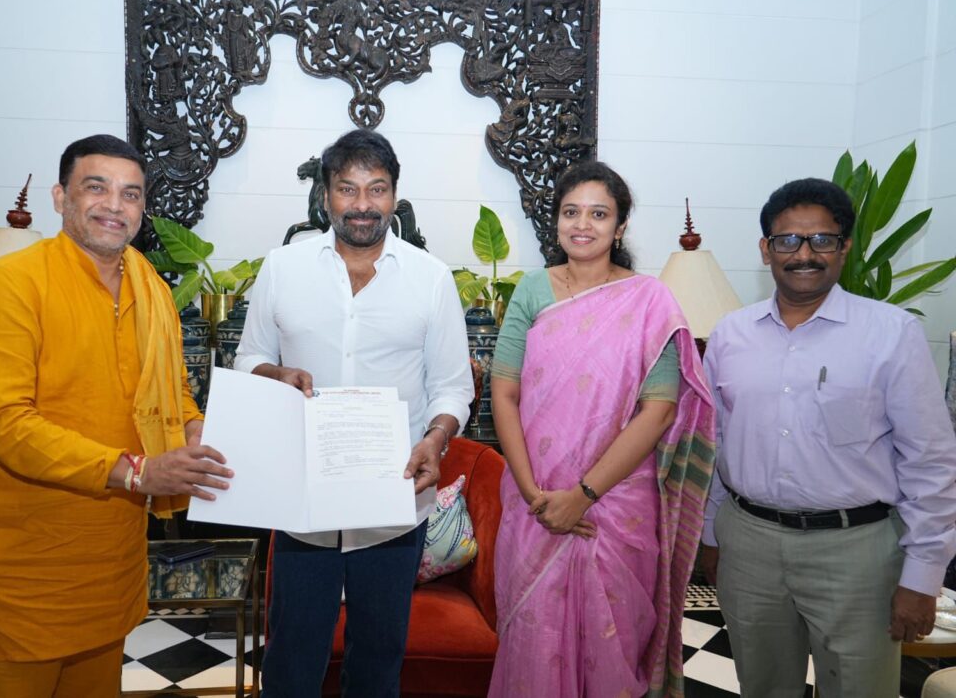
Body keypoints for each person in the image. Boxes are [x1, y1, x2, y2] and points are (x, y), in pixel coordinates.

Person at [0, 134, 233, 698]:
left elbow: (171, 387)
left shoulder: (151, 286)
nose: (114, 205)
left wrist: (193, 426)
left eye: (131, 193)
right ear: (61, 197)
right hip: (25, 568)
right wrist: (138, 472)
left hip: (111, 562)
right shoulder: (6, 285)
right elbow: (6, 425)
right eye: (96, 187)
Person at [234, 128, 473, 697]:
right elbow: (249, 357)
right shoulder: (282, 267)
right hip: (304, 499)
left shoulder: (431, 278)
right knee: (292, 660)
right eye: (347, 188)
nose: (362, 204)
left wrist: (436, 439)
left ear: (395, 196)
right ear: (325, 195)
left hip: (394, 501)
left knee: (377, 661)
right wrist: (275, 375)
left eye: (377, 189)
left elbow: (451, 387)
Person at [700, 178, 956, 698]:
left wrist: (923, 575)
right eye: (788, 240)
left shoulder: (891, 333)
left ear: (845, 248)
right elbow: (715, 443)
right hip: (749, 543)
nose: (804, 254)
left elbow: (930, 460)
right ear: (766, 249)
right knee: (762, 687)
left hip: (856, 550)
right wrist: (710, 534)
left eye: (821, 239)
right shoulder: (730, 334)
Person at [487, 160, 716, 698]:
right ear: (557, 221)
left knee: (614, 643)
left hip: (617, 505)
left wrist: (583, 496)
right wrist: (534, 494)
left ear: (620, 226)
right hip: (534, 500)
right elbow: (504, 392)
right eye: (571, 212)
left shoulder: (649, 301)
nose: (582, 224)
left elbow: (659, 410)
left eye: (598, 213)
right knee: (533, 638)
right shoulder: (531, 290)